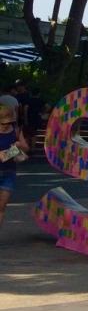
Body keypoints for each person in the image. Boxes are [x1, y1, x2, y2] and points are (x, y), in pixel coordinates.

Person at [0, 94, 30, 231]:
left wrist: (19, 145)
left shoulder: (16, 130)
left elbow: (26, 148)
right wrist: (14, 150)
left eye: (9, 122)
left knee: (1, 207)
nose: (6, 125)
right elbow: (2, 157)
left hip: (9, 173)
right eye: (3, 123)